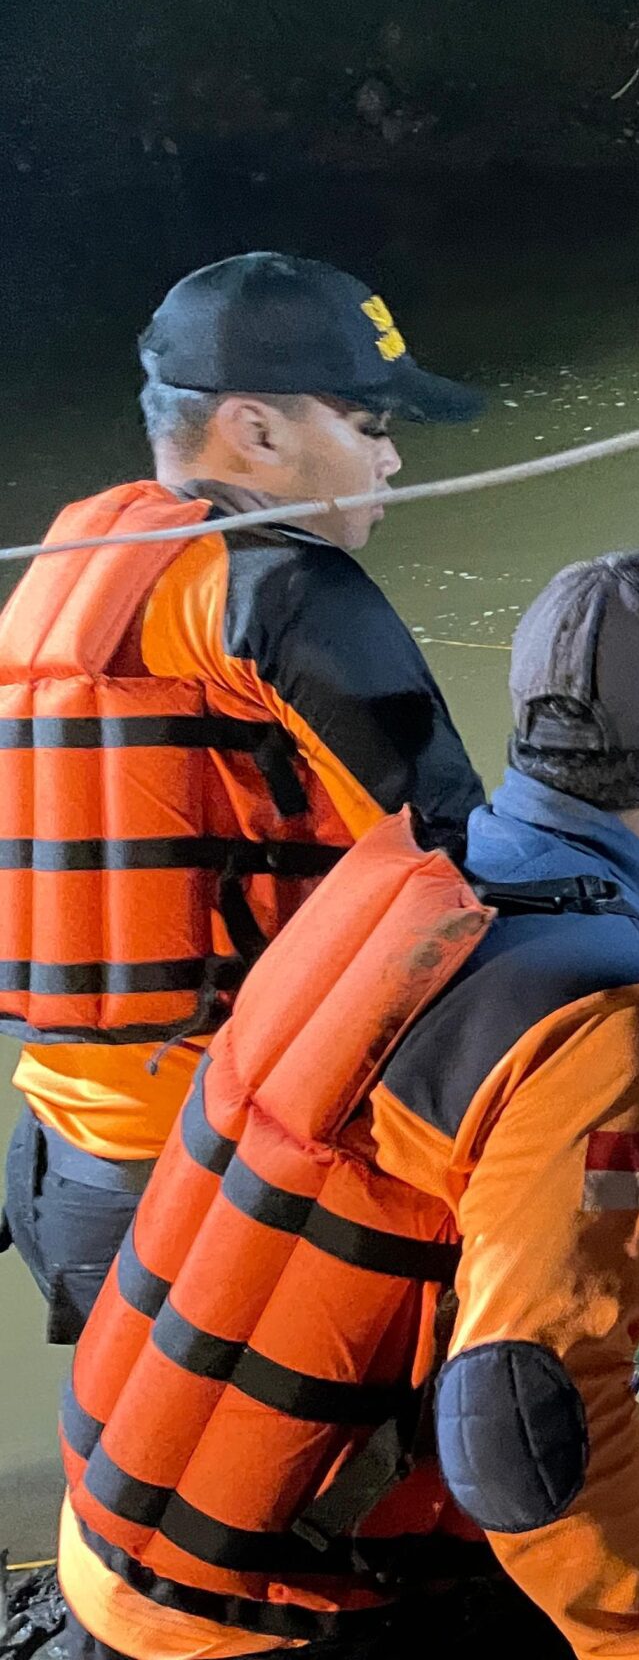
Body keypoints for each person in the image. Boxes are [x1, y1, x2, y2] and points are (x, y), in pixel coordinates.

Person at [56, 545, 639, 1660]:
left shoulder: (406, 875)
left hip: (127, 1524)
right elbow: (521, 1424)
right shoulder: (615, 1014)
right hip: (258, 1609)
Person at [0, 251, 487, 1345]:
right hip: (234, 1174)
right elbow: (465, 872)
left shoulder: (65, 571)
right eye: (368, 424)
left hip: (67, 1165)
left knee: (147, 1490)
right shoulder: (287, 588)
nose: (395, 459)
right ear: (257, 432)